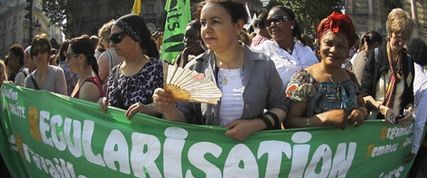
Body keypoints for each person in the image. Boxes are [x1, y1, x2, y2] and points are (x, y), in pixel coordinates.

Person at [153, 0, 287, 141]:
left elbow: (281, 107)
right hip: (207, 155)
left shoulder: (263, 64)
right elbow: (183, 119)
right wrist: (168, 108)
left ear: (238, 26)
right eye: (203, 23)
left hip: (253, 157)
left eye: (215, 22)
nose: (207, 29)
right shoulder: (195, 68)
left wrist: (255, 125)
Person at [284, 12, 367, 129]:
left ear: (348, 51)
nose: (333, 50)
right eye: (328, 43)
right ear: (319, 45)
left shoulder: (350, 77)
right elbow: (289, 122)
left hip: (348, 146)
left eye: (341, 46)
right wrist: (324, 119)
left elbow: (362, 104)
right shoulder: (304, 79)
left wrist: (361, 112)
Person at [99, 14, 163, 119]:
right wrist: (103, 103)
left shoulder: (158, 69)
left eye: (116, 37)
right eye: (110, 39)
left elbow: (171, 108)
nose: (111, 44)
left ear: (135, 36)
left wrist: (148, 109)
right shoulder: (114, 72)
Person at [360, 8, 414, 125]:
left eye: (404, 39)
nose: (400, 42)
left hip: (395, 127)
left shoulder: (408, 62)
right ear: (389, 33)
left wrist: (409, 111)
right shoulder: (376, 56)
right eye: (397, 37)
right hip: (374, 123)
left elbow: (409, 99)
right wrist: (382, 109)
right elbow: (364, 95)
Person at [398, 38, 427, 178]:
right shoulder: (424, 82)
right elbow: (420, 122)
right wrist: (414, 149)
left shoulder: (399, 66)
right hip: (407, 133)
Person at [253, 5, 318, 88]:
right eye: (268, 22)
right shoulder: (260, 53)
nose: (272, 25)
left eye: (278, 20)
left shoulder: (306, 50)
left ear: (292, 24)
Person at [67, 35, 104, 102]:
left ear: (81, 58)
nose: (66, 61)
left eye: (69, 57)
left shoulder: (88, 87)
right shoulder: (83, 78)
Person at [97, 19, 123, 85]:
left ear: (107, 39)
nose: (102, 43)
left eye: (102, 39)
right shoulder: (125, 52)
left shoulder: (105, 56)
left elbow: (101, 77)